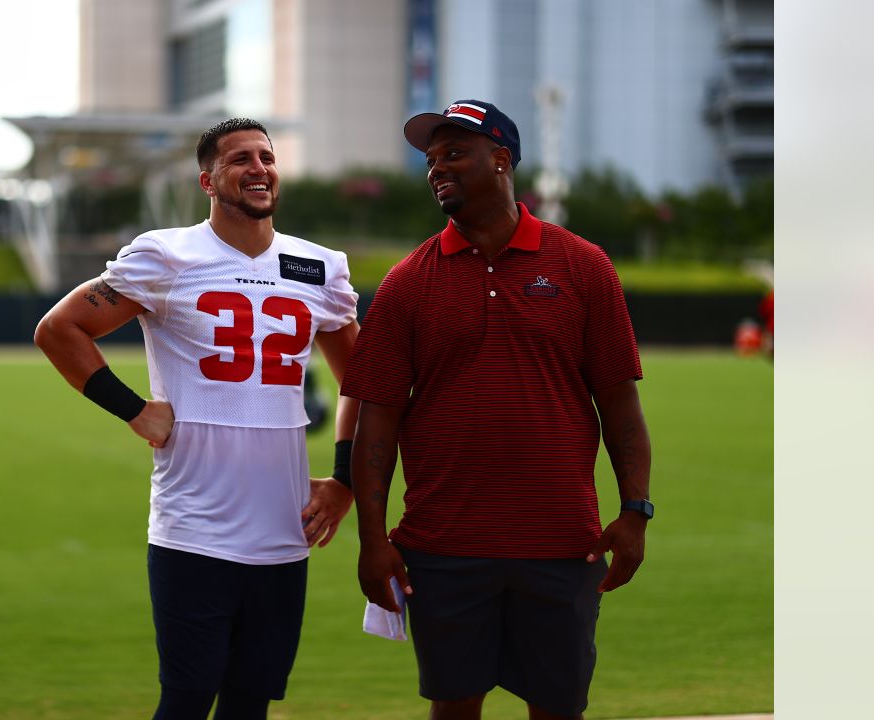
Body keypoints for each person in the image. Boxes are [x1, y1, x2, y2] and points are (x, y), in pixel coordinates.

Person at [33, 118, 360, 720]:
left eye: (266, 156)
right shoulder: (168, 254)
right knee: (185, 701)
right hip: (193, 526)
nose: (258, 168)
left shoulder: (319, 267)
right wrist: (135, 411)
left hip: (283, 531)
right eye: (240, 159)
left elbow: (363, 383)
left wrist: (343, 478)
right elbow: (59, 329)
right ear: (208, 179)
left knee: (250, 703)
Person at [341, 100, 653, 720]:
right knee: (455, 706)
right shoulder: (408, 280)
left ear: (502, 159)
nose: (437, 169)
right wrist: (372, 539)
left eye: (455, 154)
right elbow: (377, 416)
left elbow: (619, 400)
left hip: (563, 542)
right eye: (431, 161)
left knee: (557, 707)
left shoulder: (585, 266)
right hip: (443, 543)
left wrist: (636, 509)